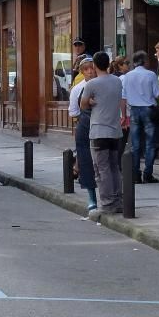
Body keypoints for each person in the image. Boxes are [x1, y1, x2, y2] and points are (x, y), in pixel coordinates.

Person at [80, 51, 123, 218]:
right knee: (114, 167)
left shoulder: (92, 84)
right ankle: (118, 201)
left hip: (98, 131)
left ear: (95, 66)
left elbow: (83, 105)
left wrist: (90, 101)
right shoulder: (118, 81)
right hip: (115, 130)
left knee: (101, 169)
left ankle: (107, 204)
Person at [121, 50, 159, 184]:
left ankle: (135, 174)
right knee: (150, 144)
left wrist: (123, 115)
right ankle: (148, 174)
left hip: (133, 111)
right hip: (148, 110)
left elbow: (123, 97)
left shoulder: (127, 76)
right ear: (145, 61)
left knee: (135, 144)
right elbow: (157, 94)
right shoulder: (151, 75)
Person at [68, 57, 97, 211]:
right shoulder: (77, 89)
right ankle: (92, 197)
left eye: (92, 68)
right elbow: (73, 112)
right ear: (82, 72)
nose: (90, 71)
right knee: (86, 161)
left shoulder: (103, 84)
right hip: (85, 125)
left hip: (103, 125)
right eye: (86, 69)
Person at [109, 56, 131, 168]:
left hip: (112, 113)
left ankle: (115, 164)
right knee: (121, 142)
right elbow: (123, 98)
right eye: (127, 63)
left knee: (114, 141)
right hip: (122, 113)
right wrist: (124, 116)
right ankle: (118, 165)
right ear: (120, 66)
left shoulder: (111, 78)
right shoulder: (124, 78)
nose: (129, 65)